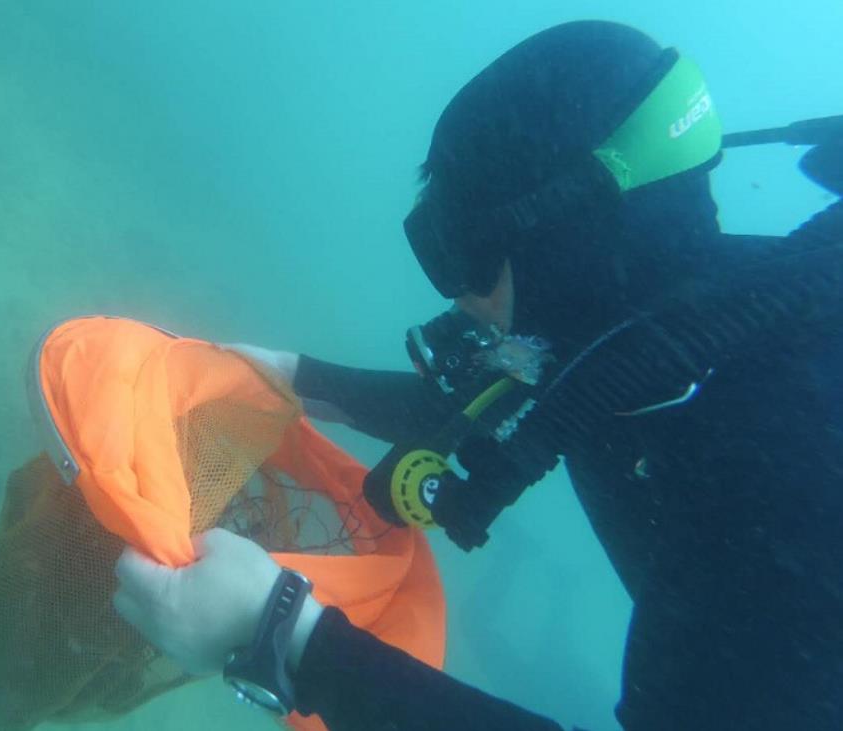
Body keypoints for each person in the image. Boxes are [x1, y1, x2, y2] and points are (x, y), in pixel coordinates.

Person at [113, 21, 843, 730]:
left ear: (576, 246)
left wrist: (289, 642)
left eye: (465, 252)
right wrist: (288, 376)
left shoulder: (788, 451)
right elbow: (508, 393)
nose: (457, 295)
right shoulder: (648, 336)